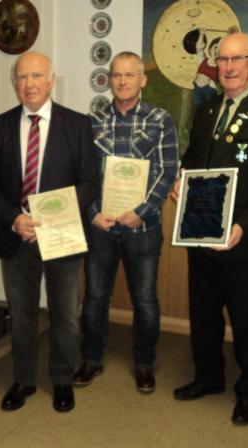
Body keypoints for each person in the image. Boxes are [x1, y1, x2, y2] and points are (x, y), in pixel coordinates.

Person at [170, 32, 248, 426]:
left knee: (245, 319)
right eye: (223, 60)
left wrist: (244, 224)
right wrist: (182, 180)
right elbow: (194, 159)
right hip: (201, 231)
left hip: (242, 239)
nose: (228, 67)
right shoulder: (207, 110)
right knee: (203, 313)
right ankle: (208, 378)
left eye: (237, 59)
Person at [0, 51, 98, 413]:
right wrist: (14, 218)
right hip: (16, 236)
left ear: (51, 80)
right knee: (23, 313)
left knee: (64, 314)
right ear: (15, 84)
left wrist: (54, 216)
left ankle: (62, 379)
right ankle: (24, 379)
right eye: (21, 77)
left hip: (61, 235)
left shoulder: (77, 124)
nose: (28, 84)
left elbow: (90, 181)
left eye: (36, 76)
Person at [73, 51, 179, 393]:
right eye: (116, 75)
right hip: (101, 226)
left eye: (129, 75)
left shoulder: (160, 120)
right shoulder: (92, 121)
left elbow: (166, 172)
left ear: (142, 80)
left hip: (142, 228)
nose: (122, 81)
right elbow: (83, 174)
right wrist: (92, 214)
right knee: (94, 298)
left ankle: (145, 363)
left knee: (145, 299)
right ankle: (91, 359)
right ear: (109, 79)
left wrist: (141, 212)